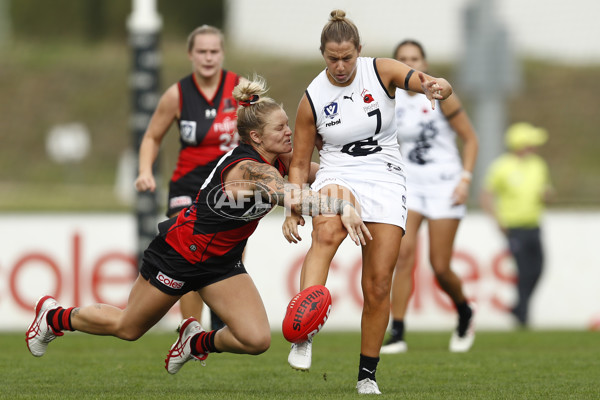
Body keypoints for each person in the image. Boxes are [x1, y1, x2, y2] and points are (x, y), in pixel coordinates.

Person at [25, 76, 371, 375]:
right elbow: (293, 196)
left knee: (256, 340)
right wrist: (341, 207)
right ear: (256, 136)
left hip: (220, 263)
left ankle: (196, 341)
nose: (289, 132)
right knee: (128, 327)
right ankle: (54, 317)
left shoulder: (279, 161)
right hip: (180, 253)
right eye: (280, 128)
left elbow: (325, 174)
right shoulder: (251, 169)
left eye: (287, 125)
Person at [281, 10, 452, 395]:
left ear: (359, 51)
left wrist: (437, 85)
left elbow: (428, 82)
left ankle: (367, 375)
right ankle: (303, 333)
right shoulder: (312, 98)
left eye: (347, 57)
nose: (340, 66)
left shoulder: (382, 70)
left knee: (376, 285)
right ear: (322, 54)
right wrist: (294, 208)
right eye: (332, 58)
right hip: (337, 171)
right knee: (325, 233)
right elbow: (297, 163)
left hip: (386, 175)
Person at [134, 25, 242, 330]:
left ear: (222, 52)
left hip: (228, 186)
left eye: (214, 51)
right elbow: (152, 137)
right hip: (189, 185)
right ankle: (190, 329)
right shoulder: (177, 95)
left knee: (229, 253)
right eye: (202, 51)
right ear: (190, 54)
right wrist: (145, 171)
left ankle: (222, 320)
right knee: (188, 253)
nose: (208, 57)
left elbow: (265, 130)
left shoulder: (241, 90)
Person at [380, 40, 479, 355]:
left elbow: (471, 139)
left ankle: (464, 311)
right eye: (403, 59)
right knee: (402, 254)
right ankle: (398, 333)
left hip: (445, 185)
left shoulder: (438, 91)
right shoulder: (390, 99)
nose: (410, 64)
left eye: (415, 58)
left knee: (440, 266)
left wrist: (465, 179)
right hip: (410, 186)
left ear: (424, 61)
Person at [480, 122, 552, 327]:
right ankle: (523, 317)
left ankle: (519, 307)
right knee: (523, 270)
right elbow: (486, 196)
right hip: (514, 228)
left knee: (538, 269)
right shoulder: (502, 167)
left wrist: (548, 196)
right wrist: (497, 220)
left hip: (534, 225)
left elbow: (546, 191)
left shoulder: (538, 164)